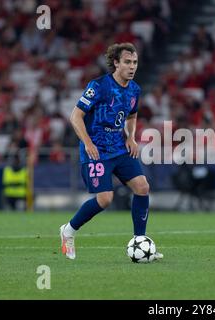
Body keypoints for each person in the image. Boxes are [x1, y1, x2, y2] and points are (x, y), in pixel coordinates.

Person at [59, 43, 163, 260]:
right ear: (116, 63)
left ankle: (139, 241)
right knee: (105, 199)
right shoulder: (98, 86)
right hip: (96, 150)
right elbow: (75, 116)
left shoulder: (134, 89)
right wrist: (88, 143)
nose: (132, 67)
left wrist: (131, 137)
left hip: (119, 148)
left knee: (143, 187)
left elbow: (132, 115)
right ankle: (68, 230)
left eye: (134, 62)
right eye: (127, 62)